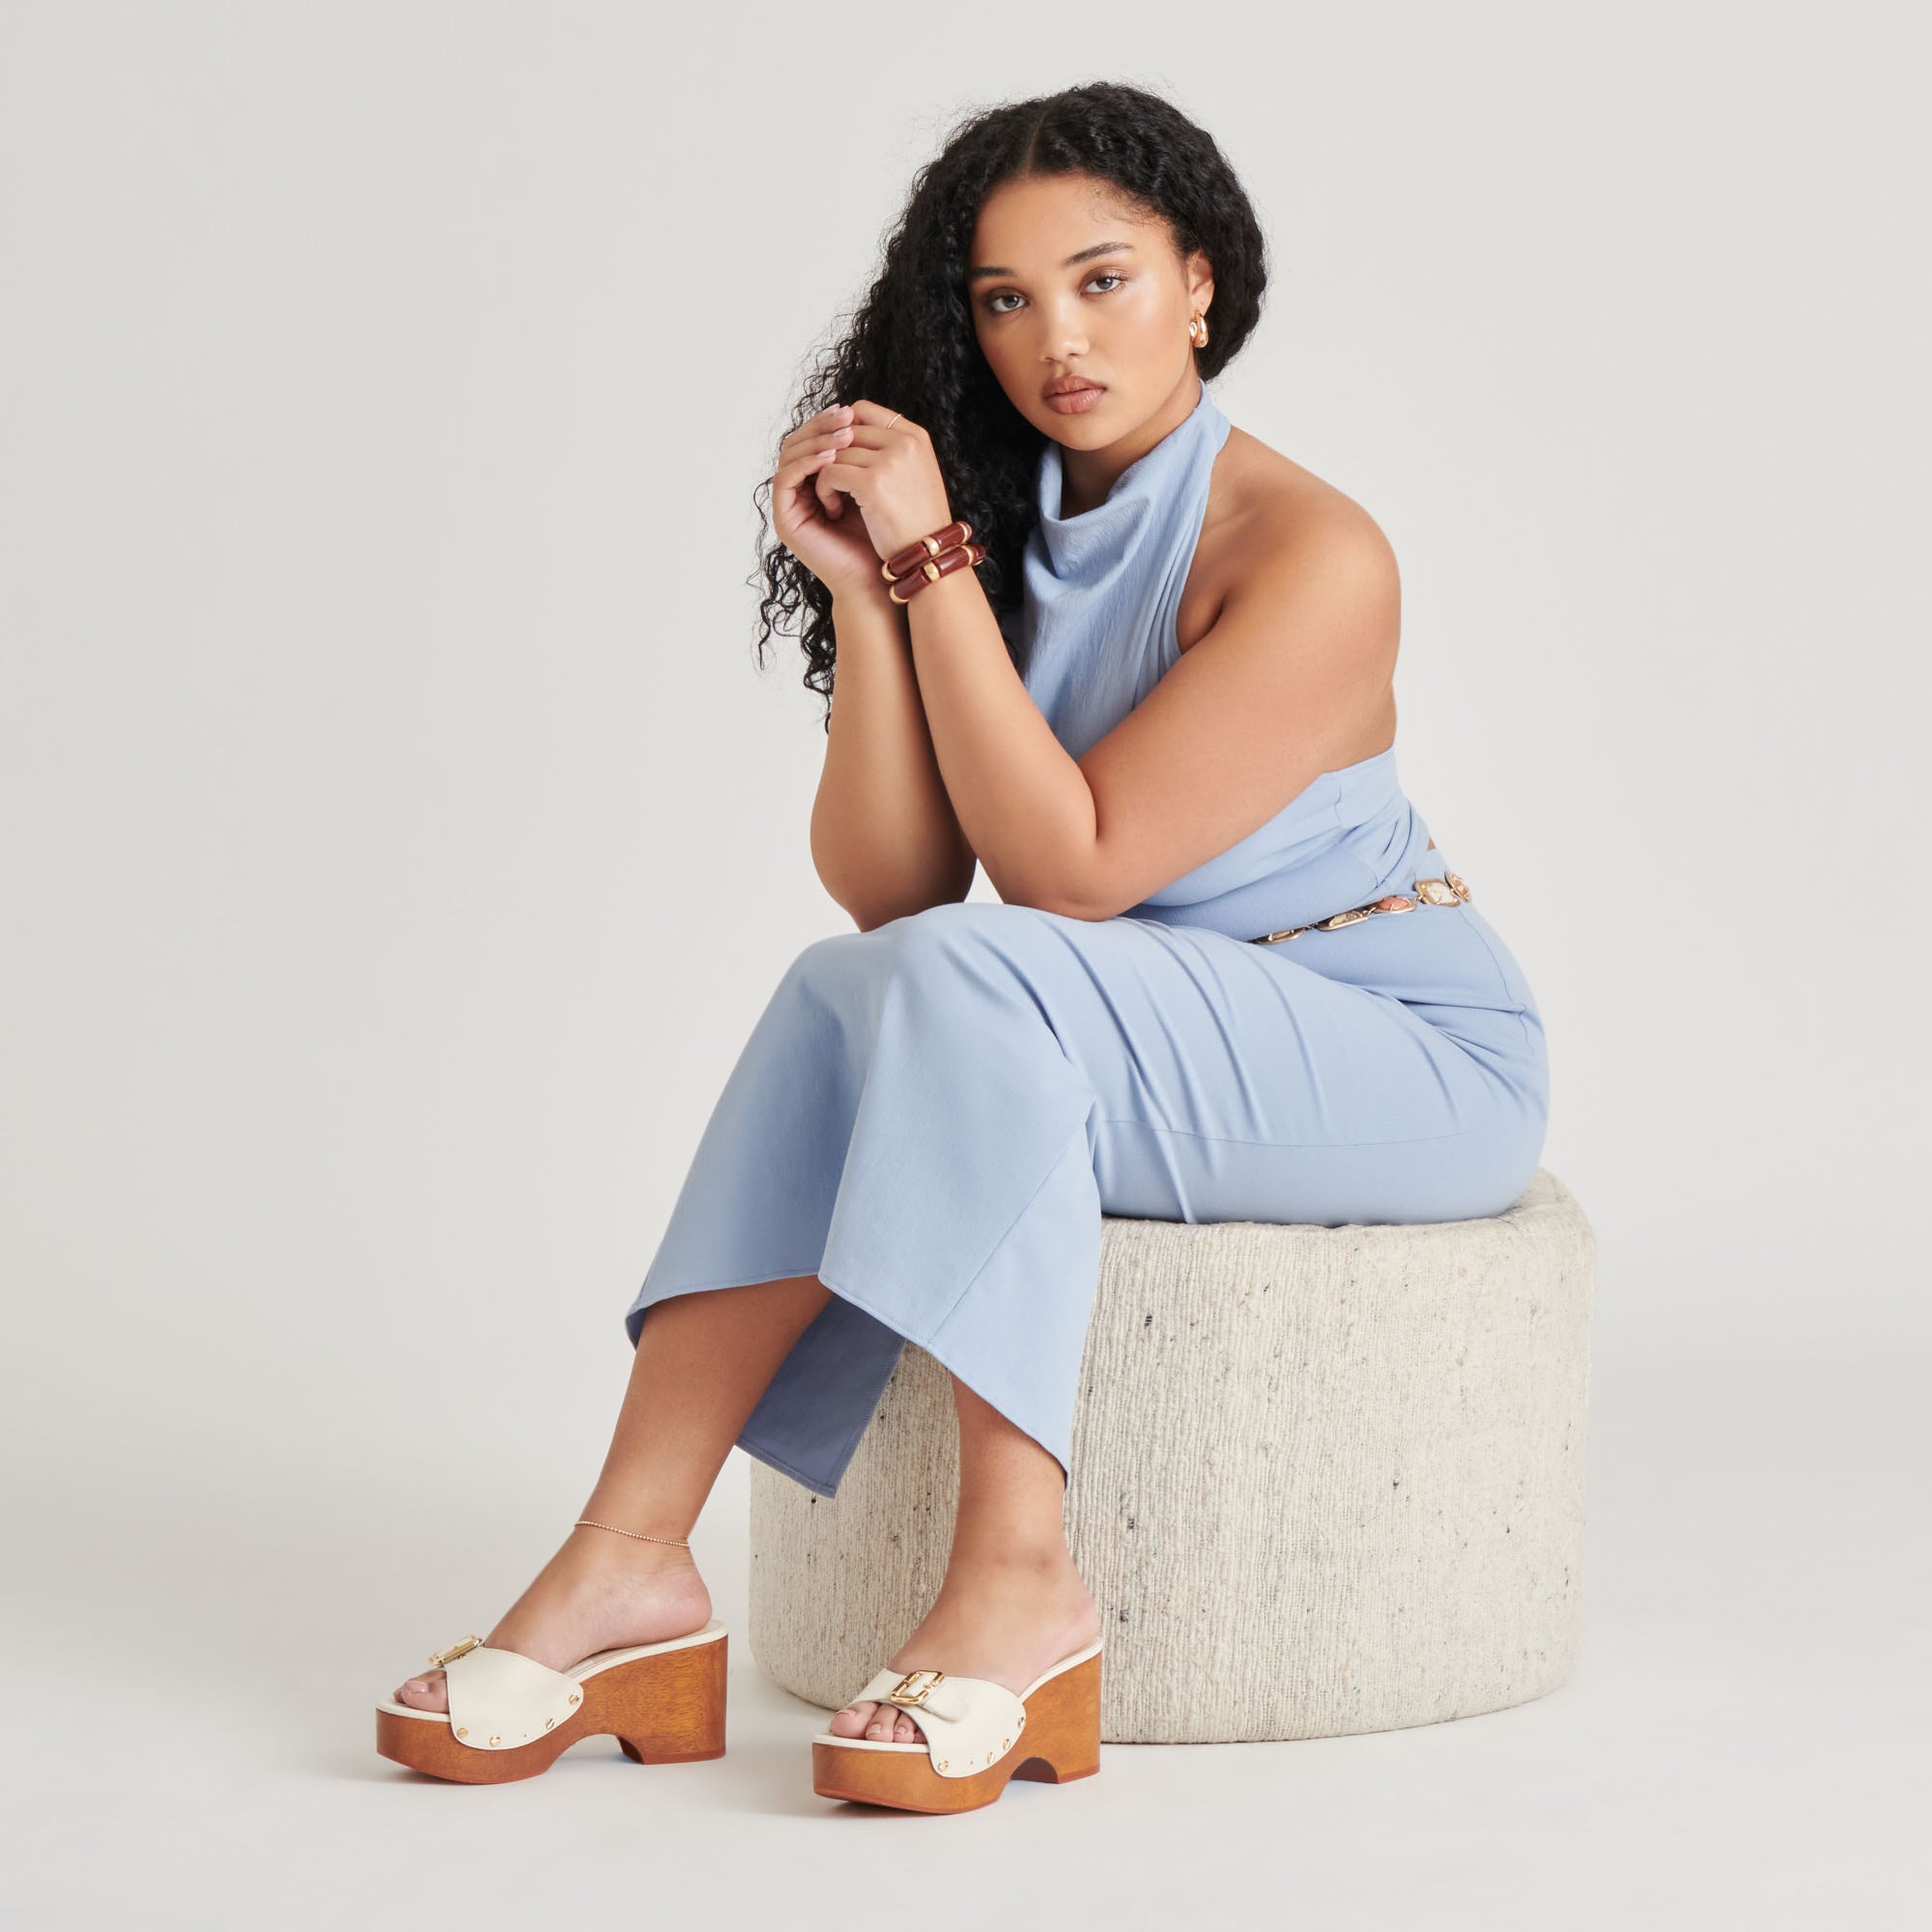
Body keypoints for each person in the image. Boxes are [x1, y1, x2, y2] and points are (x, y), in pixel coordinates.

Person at [375, 80, 1549, 1809]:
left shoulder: (1310, 550)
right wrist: (876, 597)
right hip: (1127, 1021)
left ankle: (1020, 1581)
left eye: (1103, 279)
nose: (1056, 339)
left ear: (1201, 285)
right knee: (841, 987)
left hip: (1392, 1041)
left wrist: (927, 557)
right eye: (1005, 299)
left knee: (970, 978)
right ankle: (628, 1560)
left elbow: (1072, 873)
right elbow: (899, 895)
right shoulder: (999, 528)